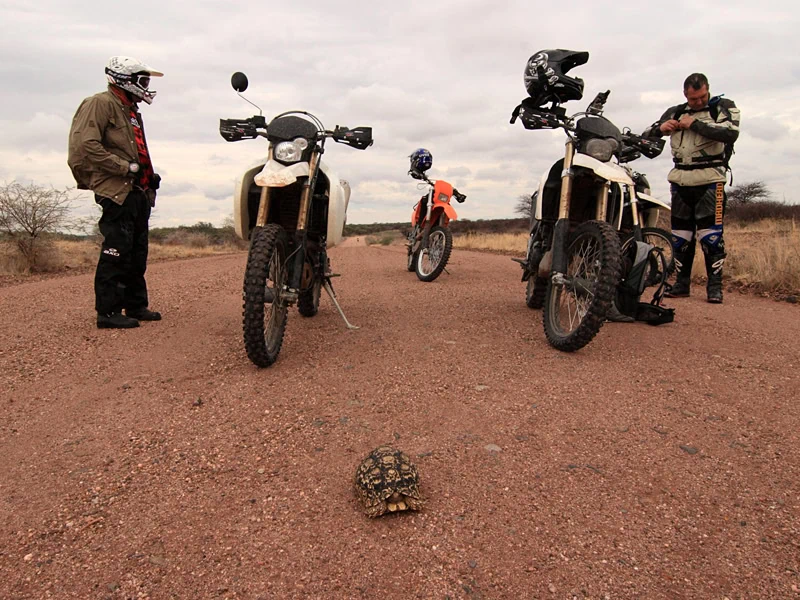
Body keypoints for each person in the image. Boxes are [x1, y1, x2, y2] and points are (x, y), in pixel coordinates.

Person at [68, 56, 164, 328]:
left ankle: (135, 305)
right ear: (123, 79)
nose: (145, 86)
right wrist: (124, 167)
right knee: (116, 250)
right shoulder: (100, 103)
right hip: (116, 189)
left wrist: (147, 175)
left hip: (138, 191)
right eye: (141, 80)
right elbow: (86, 145)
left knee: (137, 251)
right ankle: (107, 312)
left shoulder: (130, 110)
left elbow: (134, 149)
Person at [643, 73, 740, 303]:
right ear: (685, 95)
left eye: (702, 97)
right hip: (679, 181)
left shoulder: (723, 107)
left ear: (708, 90)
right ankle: (681, 283)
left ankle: (714, 288)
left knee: (711, 237)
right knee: (680, 237)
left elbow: (731, 133)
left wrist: (694, 123)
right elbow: (647, 134)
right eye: (693, 98)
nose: (698, 102)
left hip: (711, 180)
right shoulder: (675, 111)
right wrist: (661, 129)